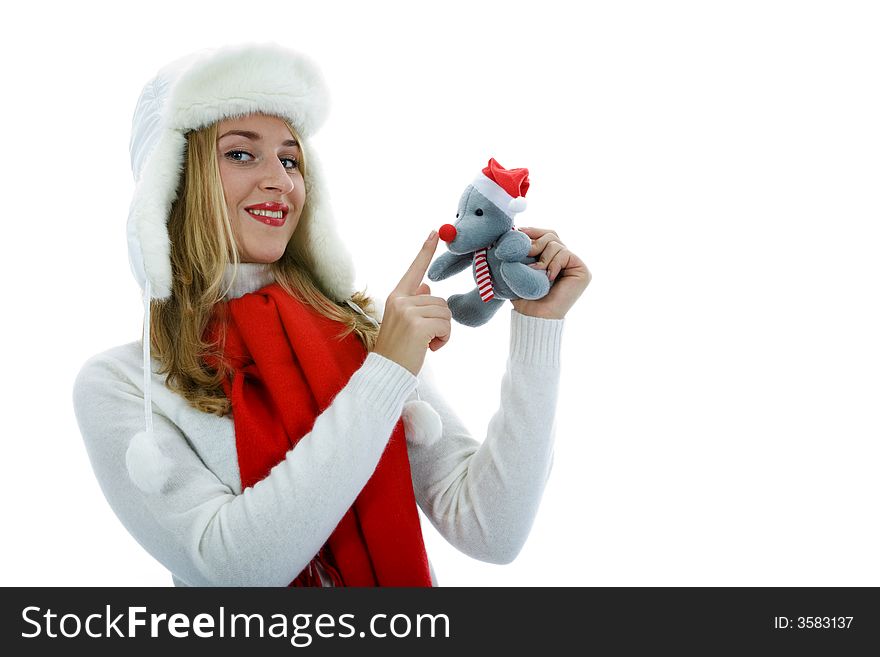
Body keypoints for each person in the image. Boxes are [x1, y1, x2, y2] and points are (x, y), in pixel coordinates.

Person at [72, 42, 591, 587]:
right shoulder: (123, 386)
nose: (281, 180)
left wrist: (539, 325)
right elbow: (237, 567)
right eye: (240, 153)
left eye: (291, 159)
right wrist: (385, 373)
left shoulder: (364, 333)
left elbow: (492, 531)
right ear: (172, 182)